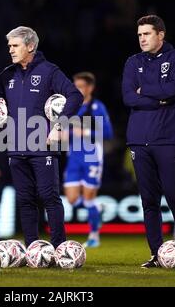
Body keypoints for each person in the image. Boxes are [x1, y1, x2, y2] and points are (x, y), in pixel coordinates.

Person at [0, 26, 83, 249]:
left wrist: (60, 125)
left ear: (30, 46)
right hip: (15, 147)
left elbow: (75, 95)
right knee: (24, 200)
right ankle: (33, 248)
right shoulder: (7, 74)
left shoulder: (49, 71)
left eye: (15, 46)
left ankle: (60, 248)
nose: (11, 50)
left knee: (49, 197)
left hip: (43, 146)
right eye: (9, 46)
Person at [121, 15, 175, 268]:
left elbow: (174, 91)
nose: (142, 38)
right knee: (148, 200)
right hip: (138, 140)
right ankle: (156, 253)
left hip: (169, 138)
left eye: (147, 34)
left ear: (160, 35)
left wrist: (146, 92)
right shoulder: (133, 62)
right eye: (139, 35)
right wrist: (158, 97)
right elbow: (129, 97)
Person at [63, 72, 113, 248]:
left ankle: (94, 236)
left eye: (80, 86)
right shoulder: (71, 108)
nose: (76, 90)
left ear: (90, 88)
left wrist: (85, 132)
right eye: (74, 86)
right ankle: (97, 210)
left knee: (89, 198)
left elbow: (108, 133)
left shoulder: (97, 107)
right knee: (71, 199)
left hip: (92, 157)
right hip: (74, 157)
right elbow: (66, 133)